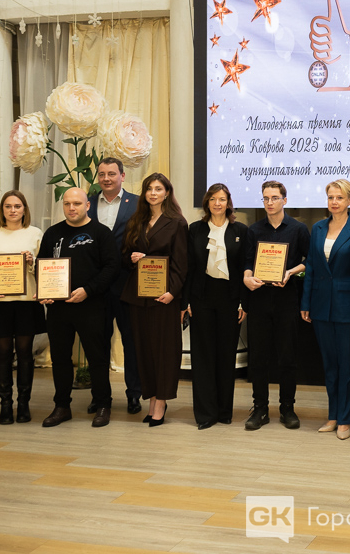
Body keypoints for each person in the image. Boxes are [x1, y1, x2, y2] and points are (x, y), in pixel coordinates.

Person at [37, 187, 119, 428]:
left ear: (87, 206)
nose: (71, 208)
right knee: (60, 358)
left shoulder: (101, 233)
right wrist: (45, 291)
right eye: (67, 204)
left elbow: (112, 267)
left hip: (92, 306)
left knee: (97, 357)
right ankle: (62, 406)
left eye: (77, 203)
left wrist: (88, 290)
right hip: (58, 308)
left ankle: (103, 404)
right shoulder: (53, 233)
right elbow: (42, 264)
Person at [301, 179, 350, 441]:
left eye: (339, 197)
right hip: (321, 305)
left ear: (349, 200)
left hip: (349, 306)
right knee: (330, 365)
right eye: (330, 197)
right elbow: (311, 266)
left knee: (348, 365)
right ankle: (332, 416)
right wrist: (306, 303)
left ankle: (345, 419)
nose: (334, 202)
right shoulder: (318, 228)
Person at [0, 190, 46, 424]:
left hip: (26, 302)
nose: (13, 210)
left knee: (25, 353)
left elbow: (47, 268)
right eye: (8, 206)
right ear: (2, 210)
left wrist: (32, 262)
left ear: (25, 209)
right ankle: (5, 404)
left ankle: (23, 404)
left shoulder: (35, 234)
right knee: (2, 354)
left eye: (17, 206)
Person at [121, 173, 188, 428]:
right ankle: (151, 399)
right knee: (144, 351)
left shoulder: (177, 222)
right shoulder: (136, 220)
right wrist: (132, 259)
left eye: (158, 189)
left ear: (167, 193)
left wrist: (172, 292)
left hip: (164, 297)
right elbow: (124, 255)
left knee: (164, 351)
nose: (153, 193)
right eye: (149, 188)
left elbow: (182, 263)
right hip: (138, 296)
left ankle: (161, 402)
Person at [243, 181, 310, 431]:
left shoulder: (298, 229)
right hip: (259, 299)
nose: (270, 202)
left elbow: (310, 261)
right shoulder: (254, 230)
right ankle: (260, 408)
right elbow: (247, 262)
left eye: (274, 198)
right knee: (258, 357)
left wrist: (291, 272)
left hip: (286, 299)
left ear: (285, 200)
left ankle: (287, 408)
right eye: (265, 198)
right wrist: (247, 277)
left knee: (287, 357)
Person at [182, 183, 248, 430]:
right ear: (207, 202)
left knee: (226, 355)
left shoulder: (240, 230)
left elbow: (245, 267)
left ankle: (224, 411)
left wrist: (243, 301)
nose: (217, 204)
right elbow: (189, 267)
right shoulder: (195, 229)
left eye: (222, 199)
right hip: (201, 297)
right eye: (213, 199)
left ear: (228, 202)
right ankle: (205, 414)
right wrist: (186, 301)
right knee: (203, 356)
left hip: (230, 298)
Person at [88, 157, 141, 415]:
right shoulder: (87, 203)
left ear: (122, 175)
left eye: (111, 174)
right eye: (102, 174)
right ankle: (100, 396)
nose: (106, 178)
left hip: (126, 283)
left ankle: (134, 395)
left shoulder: (138, 203)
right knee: (98, 343)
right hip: (96, 286)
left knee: (131, 341)